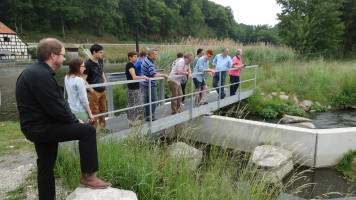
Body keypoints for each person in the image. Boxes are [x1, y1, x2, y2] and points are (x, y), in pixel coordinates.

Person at [15, 38, 111, 200]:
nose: (65, 59)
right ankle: (88, 176)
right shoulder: (41, 75)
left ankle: (47, 197)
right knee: (87, 130)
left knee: (46, 163)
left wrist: (69, 119)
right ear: (53, 56)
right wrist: (74, 121)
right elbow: (57, 106)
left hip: (36, 126)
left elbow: (52, 105)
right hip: (41, 127)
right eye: (63, 55)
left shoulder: (35, 71)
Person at [83, 44, 107, 130]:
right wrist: (90, 89)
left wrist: (104, 80)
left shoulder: (100, 61)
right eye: (100, 52)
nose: (102, 54)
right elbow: (83, 79)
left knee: (103, 109)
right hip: (93, 91)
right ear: (94, 52)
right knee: (94, 111)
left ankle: (102, 128)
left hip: (102, 89)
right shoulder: (87, 64)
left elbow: (101, 71)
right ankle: (94, 129)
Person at [141, 48, 168, 121]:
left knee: (146, 100)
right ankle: (151, 116)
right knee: (155, 99)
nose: (157, 56)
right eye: (156, 54)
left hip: (144, 83)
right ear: (151, 54)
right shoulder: (149, 63)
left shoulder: (145, 60)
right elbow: (153, 75)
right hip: (149, 84)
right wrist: (163, 75)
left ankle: (147, 115)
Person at [65, 58, 94, 122]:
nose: (85, 68)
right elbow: (83, 99)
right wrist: (90, 113)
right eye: (83, 66)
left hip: (71, 109)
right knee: (84, 130)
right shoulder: (79, 80)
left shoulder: (67, 77)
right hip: (80, 112)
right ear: (78, 67)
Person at [125, 51, 149, 125]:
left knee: (137, 103)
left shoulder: (133, 65)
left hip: (135, 87)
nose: (136, 58)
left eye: (136, 56)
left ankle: (136, 120)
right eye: (134, 56)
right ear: (130, 57)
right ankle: (132, 121)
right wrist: (143, 77)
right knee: (133, 104)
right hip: (132, 88)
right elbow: (134, 77)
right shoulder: (130, 65)